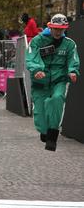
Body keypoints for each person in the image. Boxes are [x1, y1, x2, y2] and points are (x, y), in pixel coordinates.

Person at [25, 14, 79, 151]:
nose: (58, 32)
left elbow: (73, 60)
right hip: (40, 81)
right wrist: (36, 69)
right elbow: (31, 57)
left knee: (57, 99)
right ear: (50, 27)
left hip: (59, 80)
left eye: (61, 29)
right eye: (55, 28)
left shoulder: (69, 44)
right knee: (40, 114)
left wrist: (73, 71)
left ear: (65, 29)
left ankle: (53, 135)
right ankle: (44, 131)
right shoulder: (37, 41)